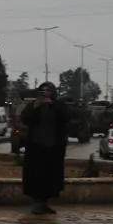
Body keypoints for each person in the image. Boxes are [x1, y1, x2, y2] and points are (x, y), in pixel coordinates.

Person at [20, 82, 69, 215]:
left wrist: (51, 104)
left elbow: (65, 118)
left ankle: (45, 202)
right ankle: (37, 202)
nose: (45, 92)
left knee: (51, 177)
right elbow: (24, 119)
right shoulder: (34, 105)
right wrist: (35, 107)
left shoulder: (58, 105)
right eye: (43, 90)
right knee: (36, 175)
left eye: (48, 90)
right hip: (36, 148)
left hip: (53, 149)